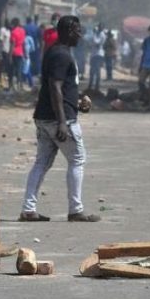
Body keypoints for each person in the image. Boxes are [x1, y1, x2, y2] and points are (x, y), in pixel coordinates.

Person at [19, 15, 100, 223]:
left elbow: (61, 87)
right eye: (78, 31)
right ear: (69, 31)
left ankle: (28, 210)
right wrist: (63, 121)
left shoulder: (54, 52)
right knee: (77, 159)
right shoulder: (62, 55)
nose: (80, 35)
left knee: (42, 163)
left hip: (44, 117)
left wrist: (79, 99)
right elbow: (55, 87)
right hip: (59, 120)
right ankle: (75, 210)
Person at [88, 24, 106, 92]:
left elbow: (96, 43)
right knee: (92, 71)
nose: (98, 28)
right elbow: (90, 42)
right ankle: (90, 86)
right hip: (94, 54)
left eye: (100, 27)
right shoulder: (97, 34)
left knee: (97, 71)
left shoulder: (102, 35)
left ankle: (96, 87)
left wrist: (94, 33)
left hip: (98, 55)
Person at [10, 18, 27, 91]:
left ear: (13, 24)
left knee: (12, 70)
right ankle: (19, 85)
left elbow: (12, 44)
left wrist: (10, 55)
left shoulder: (13, 32)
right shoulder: (22, 31)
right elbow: (23, 43)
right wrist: (25, 53)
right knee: (19, 70)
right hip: (21, 53)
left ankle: (12, 86)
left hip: (14, 53)